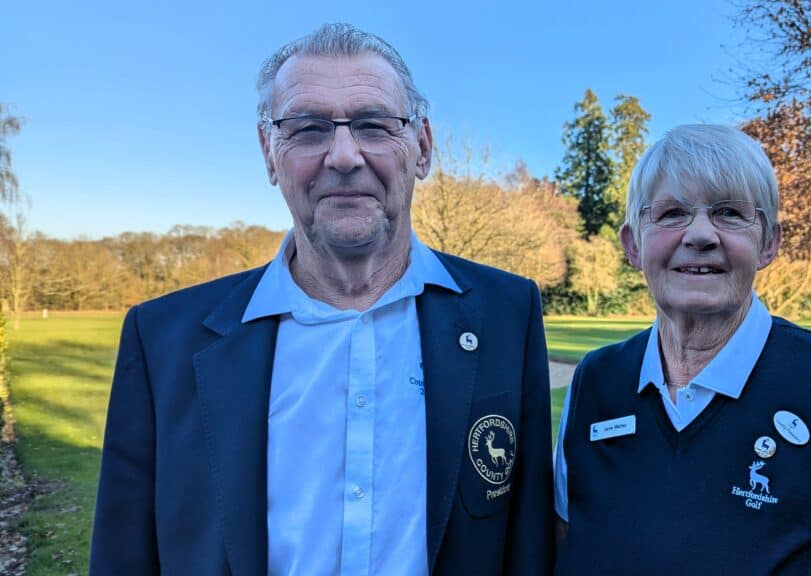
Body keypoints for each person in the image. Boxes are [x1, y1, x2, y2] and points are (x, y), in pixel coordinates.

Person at [90, 23, 553, 575]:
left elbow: (527, 545)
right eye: (307, 129)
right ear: (269, 152)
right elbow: (123, 556)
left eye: (374, 125)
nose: (343, 155)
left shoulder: (507, 314)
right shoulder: (162, 339)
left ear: (422, 148)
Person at [553, 125, 811, 575]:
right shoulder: (596, 381)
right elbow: (563, 544)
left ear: (769, 242)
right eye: (672, 212)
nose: (699, 235)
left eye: (729, 212)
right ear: (634, 245)